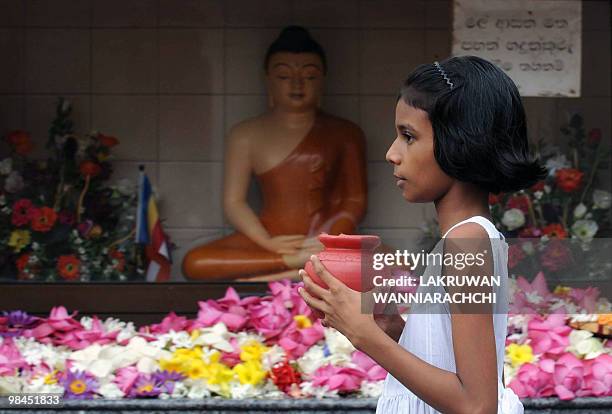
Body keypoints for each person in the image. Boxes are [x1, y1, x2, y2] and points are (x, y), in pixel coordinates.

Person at [298, 56, 545, 413]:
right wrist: (393, 327)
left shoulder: (469, 243)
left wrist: (362, 332)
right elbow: (455, 368)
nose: (391, 153)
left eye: (408, 136)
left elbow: (478, 406)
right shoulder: (465, 239)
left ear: (461, 142)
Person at [182, 26, 367, 282]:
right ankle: (294, 267)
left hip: (323, 242)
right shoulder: (245, 134)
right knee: (195, 263)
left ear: (323, 79)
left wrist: (328, 241)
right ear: (268, 79)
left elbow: (354, 200)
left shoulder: (346, 133)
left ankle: (284, 272)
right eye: (283, 76)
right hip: (268, 240)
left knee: (388, 262)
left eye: (310, 76)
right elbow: (234, 202)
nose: (297, 84)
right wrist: (269, 243)